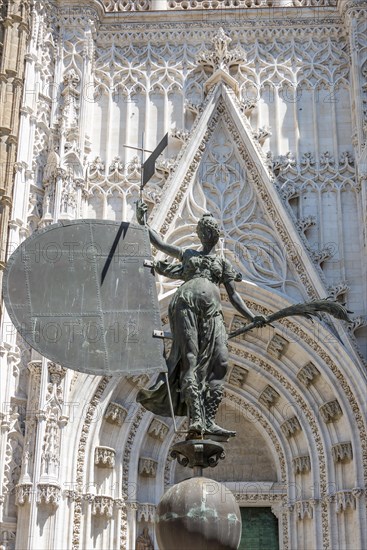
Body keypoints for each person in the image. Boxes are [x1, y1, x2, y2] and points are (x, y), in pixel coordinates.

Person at [136, 201, 265, 438]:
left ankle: (208, 419)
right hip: (186, 305)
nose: (208, 234)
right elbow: (161, 244)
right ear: (200, 234)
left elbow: (234, 295)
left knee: (221, 362)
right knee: (190, 360)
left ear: (216, 236)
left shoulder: (222, 263)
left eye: (212, 231)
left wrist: (252, 316)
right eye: (204, 231)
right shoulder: (188, 255)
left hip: (212, 312)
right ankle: (196, 419)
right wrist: (143, 223)